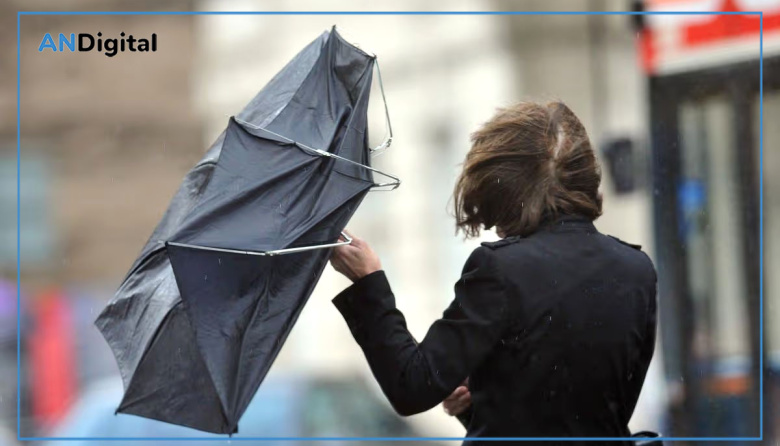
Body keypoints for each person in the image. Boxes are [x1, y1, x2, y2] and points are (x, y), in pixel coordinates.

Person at [329, 101, 657, 445]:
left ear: (503, 190)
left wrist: (368, 283)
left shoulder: (500, 269)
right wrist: (486, 397)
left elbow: (412, 388)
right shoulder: (637, 270)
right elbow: (584, 409)